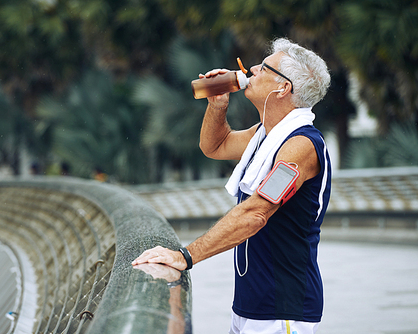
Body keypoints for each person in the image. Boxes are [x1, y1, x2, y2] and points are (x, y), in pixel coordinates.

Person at [132, 38, 332, 334]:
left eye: (264, 68)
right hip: (252, 302)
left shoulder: (301, 146)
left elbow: (256, 213)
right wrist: (217, 104)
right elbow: (215, 146)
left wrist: (185, 256)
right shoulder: (265, 135)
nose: (252, 69)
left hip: (282, 309)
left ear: (283, 88)